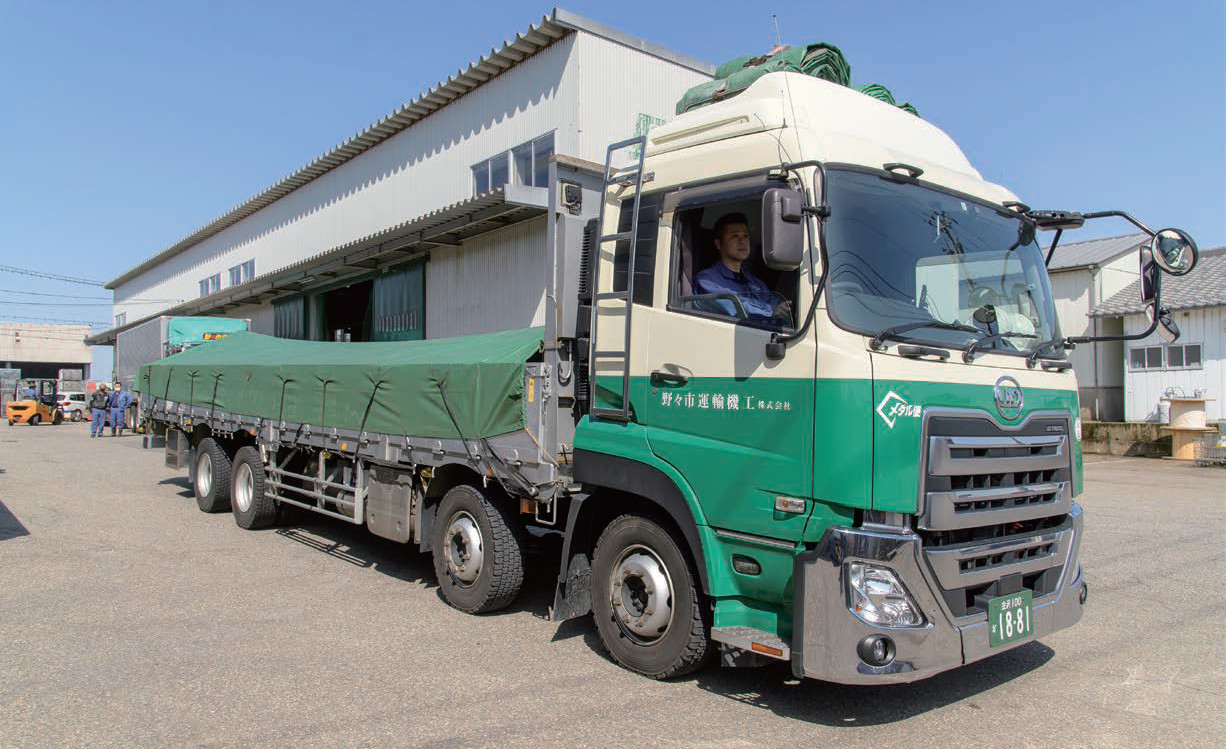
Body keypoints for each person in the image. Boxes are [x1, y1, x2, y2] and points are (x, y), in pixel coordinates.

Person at [692, 212, 792, 324]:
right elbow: (731, 305)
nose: (742, 241)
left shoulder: (757, 284)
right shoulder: (707, 280)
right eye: (735, 236)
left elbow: (779, 306)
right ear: (718, 243)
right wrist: (769, 311)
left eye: (745, 236)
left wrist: (782, 309)